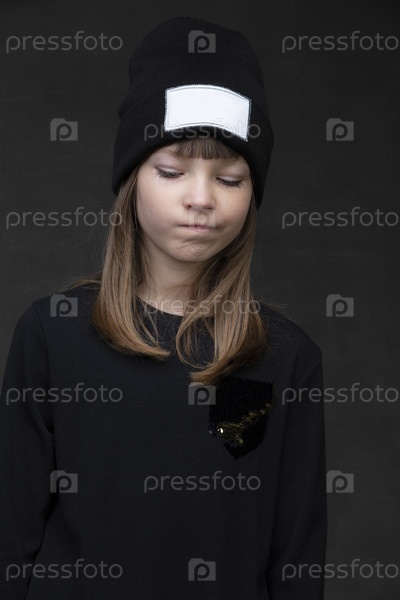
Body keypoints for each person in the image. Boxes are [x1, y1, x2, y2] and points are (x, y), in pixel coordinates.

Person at [0, 16, 327, 600]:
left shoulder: (285, 356)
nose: (200, 198)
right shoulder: (52, 333)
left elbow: (295, 554)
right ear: (132, 181)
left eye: (230, 179)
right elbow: (11, 527)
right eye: (172, 171)